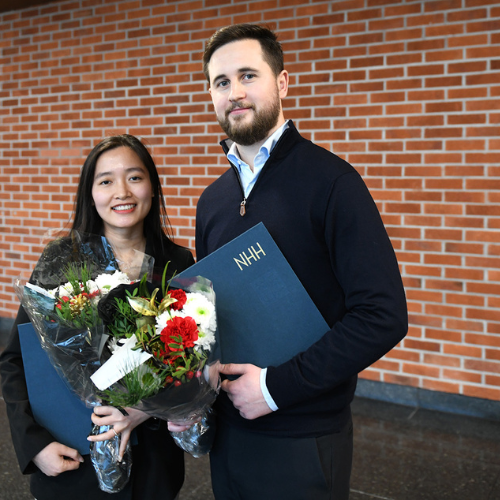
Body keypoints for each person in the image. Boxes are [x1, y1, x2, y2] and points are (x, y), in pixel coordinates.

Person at [196, 24, 409, 499]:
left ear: (283, 83)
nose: (235, 93)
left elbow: (383, 315)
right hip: (229, 435)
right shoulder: (212, 201)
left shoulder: (332, 182)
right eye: (221, 81)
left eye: (248, 75)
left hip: (303, 437)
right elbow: (209, 315)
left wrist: (274, 388)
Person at [0, 134, 194, 500]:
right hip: (73, 461)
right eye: (106, 181)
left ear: (152, 186)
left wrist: (143, 409)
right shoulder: (60, 261)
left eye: (135, 177)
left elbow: (196, 363)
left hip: (152, 468)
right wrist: (34, 445)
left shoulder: (179, 264)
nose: (122, 191)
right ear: (90, 193)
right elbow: (15, 362)